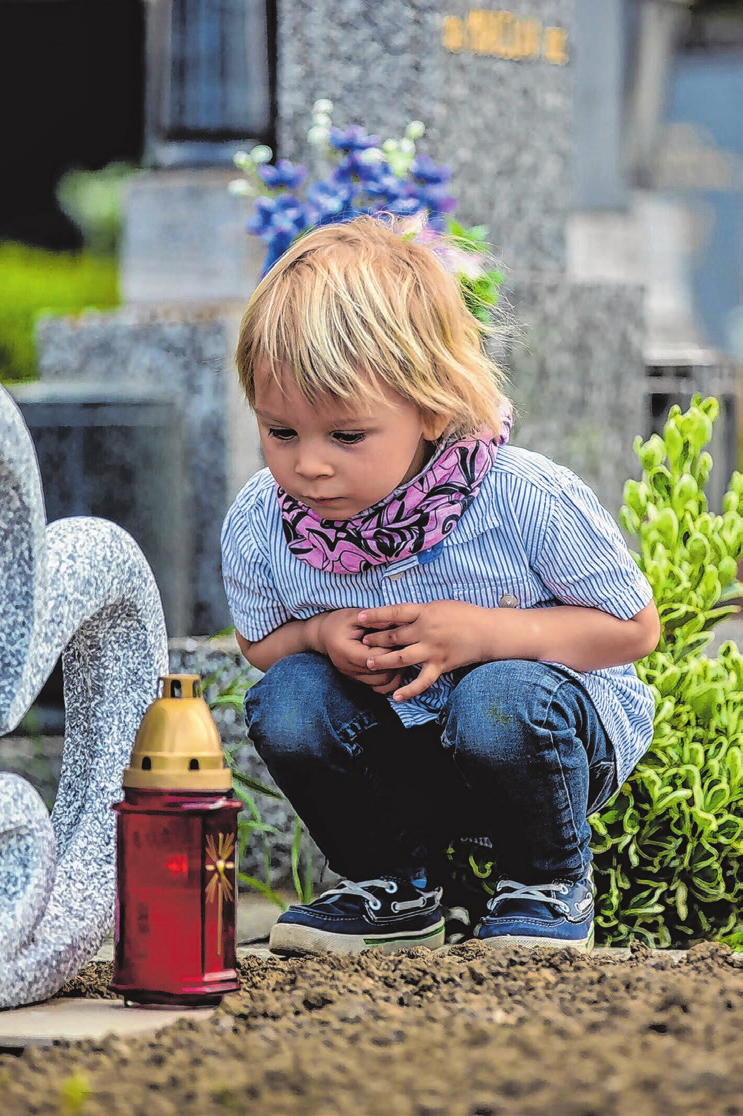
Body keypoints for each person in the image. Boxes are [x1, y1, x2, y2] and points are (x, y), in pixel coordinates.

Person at [221, 215, 660, 955]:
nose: (309, 466)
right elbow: (259, 644)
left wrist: (484, 634)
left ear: (428, 407)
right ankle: (389, 888)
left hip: (537, 742)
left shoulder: (520, 497)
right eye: (281, 432)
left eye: (346, 435)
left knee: (501, 694)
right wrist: (320, 637)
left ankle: (545, 883)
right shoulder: (265, 520)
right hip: (396, 751)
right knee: (287, 695)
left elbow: (631, 630)